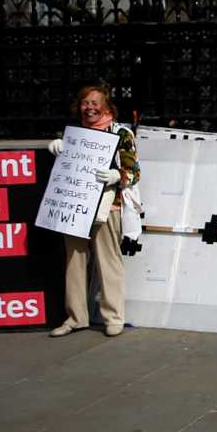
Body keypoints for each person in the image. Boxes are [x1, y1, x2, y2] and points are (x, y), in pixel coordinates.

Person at [48, 83, 140, 338]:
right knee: (74, 262)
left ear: (107, 106)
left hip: (107, 206)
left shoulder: (121, 134)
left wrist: (117, 175)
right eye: (85, 103)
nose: (89, 108)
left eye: (94, 103)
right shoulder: (73, 134)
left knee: (108, 261)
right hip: (75, 206)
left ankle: (113, 316)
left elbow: (134, 173)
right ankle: (76, 317)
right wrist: (58, 151)